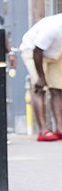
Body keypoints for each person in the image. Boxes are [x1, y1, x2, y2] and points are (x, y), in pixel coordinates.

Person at [19, 14, 62, 142]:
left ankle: (60, 128)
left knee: (57, 88)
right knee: (39, 87)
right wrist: (41, 77)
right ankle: (43, 130)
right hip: (33, 50)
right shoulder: (54, 27)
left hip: (56, 53)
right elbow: (37, 51)